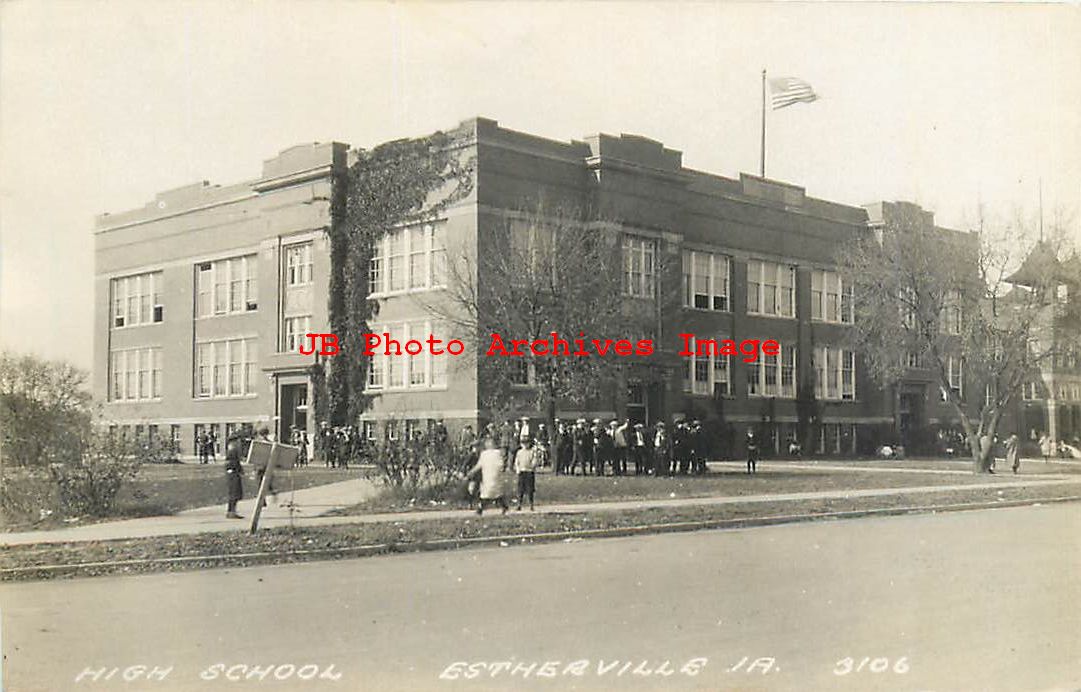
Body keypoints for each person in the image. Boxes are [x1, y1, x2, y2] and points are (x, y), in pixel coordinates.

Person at [468, 438, 509, 515]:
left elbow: (479, 465)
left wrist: (471, 472)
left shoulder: (484, 454)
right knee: (497, 493)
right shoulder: (498, 453)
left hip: (488, 476)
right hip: (495, 476)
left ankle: (480, 509)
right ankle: (504, 506)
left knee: (486, 494)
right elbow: (502, 465)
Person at [514, 437, 538, 511]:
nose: (525, 445)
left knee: (530, 489)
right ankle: (519, 504)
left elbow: (535, 460)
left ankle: (531, 504)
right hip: (522, 471)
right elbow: (517, 461)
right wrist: (518, 469)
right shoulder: (519, 452)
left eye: (526, 443)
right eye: (523, 443)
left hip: (529, 472)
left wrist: (532, 466)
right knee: (520, 489)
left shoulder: (532, 452)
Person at [224, 437, 244, 519]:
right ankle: (231, 512)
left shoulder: (233, 451)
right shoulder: (232, 451)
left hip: (234, 473)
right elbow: (231, 463)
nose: (238, 443)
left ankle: (232, 511)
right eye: (236, 442)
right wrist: (238, 469)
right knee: (234, 493)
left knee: (235, 493)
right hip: (233, 474)